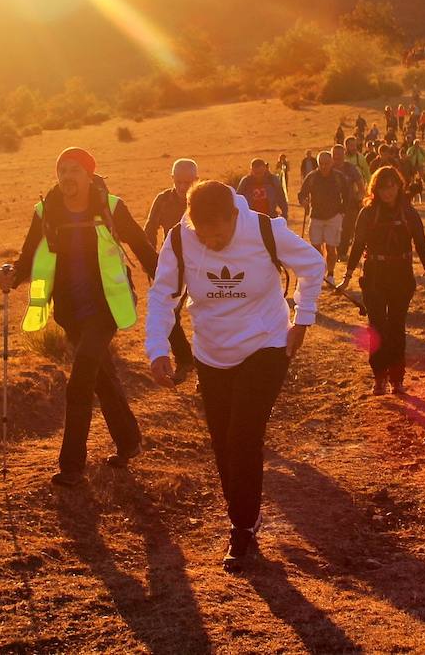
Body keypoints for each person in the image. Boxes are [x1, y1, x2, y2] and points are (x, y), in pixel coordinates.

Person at [145, 181, 326, 571]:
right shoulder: (179, 239)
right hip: (211, 354)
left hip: (265, 345)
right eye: (205, 234)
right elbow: (163, 296)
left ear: (234, 215)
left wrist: (303, 319)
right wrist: (158, 347)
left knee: (243, 437)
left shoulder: (264, 229)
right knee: (223, 444)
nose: (214, 240)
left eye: (221, 233)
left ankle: (242, 527)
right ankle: (245, 515)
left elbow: (313, 265)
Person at [0, 147, 158, 486]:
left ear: (89, 175)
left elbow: (140, 244)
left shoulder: (110, 206)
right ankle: (129, 443)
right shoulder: (45, 211)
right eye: (62, 170)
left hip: (107, 307)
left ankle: (72, 466)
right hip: (70, 312)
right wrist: (12, 275)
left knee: (81, 379)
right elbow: (28, 255)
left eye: (75, 170)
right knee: (102, 376)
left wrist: (165, 276)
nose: (67, 177)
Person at [339, 167, 425, 396]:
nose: (388, 191)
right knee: (377, 327)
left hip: (401, 277)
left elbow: (422, 245)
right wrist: (347, 276)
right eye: (383, 187)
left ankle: (397, 378)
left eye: (392, 186)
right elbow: (357, 246)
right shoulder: (367, 213)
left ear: (398, 186)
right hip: (374, 276)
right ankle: (379, 377)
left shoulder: (409, 213)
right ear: (376, 188)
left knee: (396, 327)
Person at [144, 158, 200, 383]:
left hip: (200, 266)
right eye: (179, 182)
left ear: (196, 180)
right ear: (172, 179)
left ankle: (204, 369)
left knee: (204, 315)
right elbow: (149, 228)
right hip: (172, 266)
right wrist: (153, 262)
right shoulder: (163, 200)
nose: (183, 188)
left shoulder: (201, 199)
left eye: (188, 182)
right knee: (171, 314)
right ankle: (186, 360)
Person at [297, 150, 347, 283]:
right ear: (318, 164)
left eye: (326, 163)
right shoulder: (312, 177)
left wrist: (342, 211)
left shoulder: (338, 177)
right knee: (315, 249)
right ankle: (319, 273)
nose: (324, 166)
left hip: (333, 216)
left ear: (331, 163)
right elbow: (302, 193)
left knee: (331, 248)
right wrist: (303, 201)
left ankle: (330, 274)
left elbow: (347, 195)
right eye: (321, 164)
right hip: (316, 217)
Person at [331, 143, 364, 262]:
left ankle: (342, 253)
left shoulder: (350, 168)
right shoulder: (328, 168)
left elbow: (360, 183)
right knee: (333, 229)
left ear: (344, 155)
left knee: (346, 229)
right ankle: (333, 252)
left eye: (339, 154)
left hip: (350, 204)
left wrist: (360, 196)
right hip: (332, 205)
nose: (337, 157)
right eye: (335, 155)